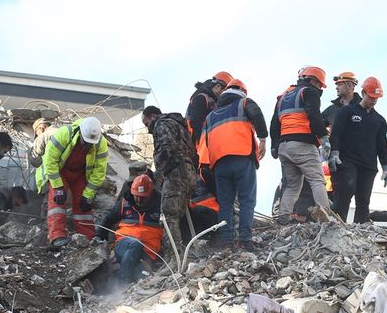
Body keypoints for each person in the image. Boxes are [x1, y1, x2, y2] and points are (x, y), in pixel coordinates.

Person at [203, 78, 267, 249]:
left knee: (225, 204)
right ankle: (245, 240)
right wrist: (263, 140)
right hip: (241, 157)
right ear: (242, 92)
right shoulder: (244, 103)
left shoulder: (210, 116)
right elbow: (257, 115)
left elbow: (208, 142)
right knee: (247, 199)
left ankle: (226, 241)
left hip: (219, 164)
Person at [34, 118, 107, 250]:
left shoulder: (101, 144)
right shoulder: (64, 134)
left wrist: (88, 195)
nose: (88, 146)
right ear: (80, 133)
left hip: (80, 173)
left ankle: (87, 237)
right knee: (57, 202)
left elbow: (99, 172)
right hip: (60, 170)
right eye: (86, 142)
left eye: (91, 144)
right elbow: (50, 161)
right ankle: (57, 237)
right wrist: (58, 186)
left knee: (83, 206)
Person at [270, 66, 331, 222]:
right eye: (320, 85)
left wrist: (274, 145)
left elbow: (274, 123)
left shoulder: (284, 96)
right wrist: (324, 137)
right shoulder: (309, 92)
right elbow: (314, 115)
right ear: (313, 81)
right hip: (303, 144)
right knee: (317, 180)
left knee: (291, 186)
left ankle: (283, 218)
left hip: (284, 146)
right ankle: (327, 219)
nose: (320, 89)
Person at [329, 77, 387, 223]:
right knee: (346, 190)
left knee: (364, 199)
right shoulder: (348, 111)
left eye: (377, 98)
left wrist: (385, 167)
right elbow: (337, 133)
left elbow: (381, 145)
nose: (374, 100)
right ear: (363, 93)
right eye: (371, 96)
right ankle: (338, 224)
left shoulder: (379, 120)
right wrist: (334, 152)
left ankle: (360, 227)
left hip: (368, 165)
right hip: (348, 160)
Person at [142, 106, 196, 251]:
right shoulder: (179, 125)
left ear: (152, 116)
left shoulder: (162, 124)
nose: (148, 129)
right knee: (178, 215)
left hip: (175, 172)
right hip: (189, 171)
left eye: (146, 123)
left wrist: (157, 175)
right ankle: (187, 253)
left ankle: (174, 258)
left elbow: (167, 148)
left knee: (168, 217)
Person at [93, 174, 163, 284]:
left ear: (150, 194)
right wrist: (98, 236)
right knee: (135, 244)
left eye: (143, 197)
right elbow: (108, 220)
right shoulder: (124, 203)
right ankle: (121, 284)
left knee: (141, 275)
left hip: (147, 252)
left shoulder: (161, 205)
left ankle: (124, 285)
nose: (139, 199)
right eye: (137, 196)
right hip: (124, 245)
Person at [185, 71, 233, 147]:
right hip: (197, 144)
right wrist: (203, 144)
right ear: (217, 87)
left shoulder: (213, 102)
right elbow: (196, 123)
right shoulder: (201, 98)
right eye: (225, 91)